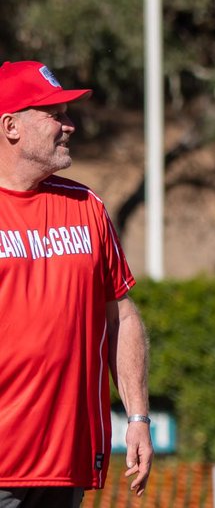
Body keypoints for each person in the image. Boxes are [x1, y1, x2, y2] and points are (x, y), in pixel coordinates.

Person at [0, 61, 153, 507]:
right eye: (55, 115)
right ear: (11, 127)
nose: (70, 126)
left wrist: (138, 417)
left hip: (67, 463)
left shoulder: (87, 206)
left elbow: (121, 316)